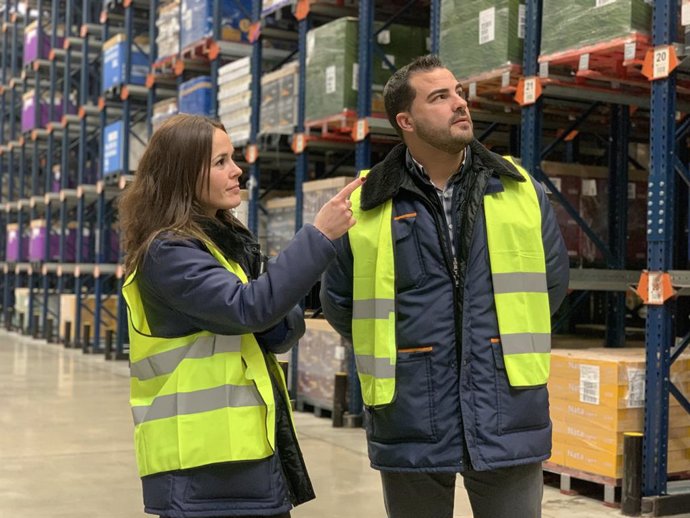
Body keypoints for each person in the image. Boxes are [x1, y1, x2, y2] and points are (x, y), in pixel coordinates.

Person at [320, 55, 570, 518]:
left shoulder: (519, 189)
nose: (460, 104)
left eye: (458, 92)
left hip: (507, 409)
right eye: (439, 97)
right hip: (410, 413)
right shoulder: (366, 203)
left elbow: (550, 288)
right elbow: (341, 304)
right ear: (406, 120)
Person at [118, 113, 363, 518]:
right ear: (182, 174)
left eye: (232, 158)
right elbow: (250, 308)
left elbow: (276, 325)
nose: (237, 171)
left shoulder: (223, 244)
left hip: (245, 460)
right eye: (220, 162)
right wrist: (318, 237)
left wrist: (274, 302)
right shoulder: (168, 253)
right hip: (202, 472)